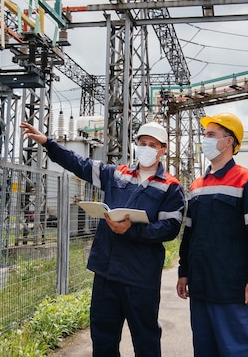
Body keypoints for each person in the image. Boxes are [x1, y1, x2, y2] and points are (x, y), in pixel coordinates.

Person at [20, 120, 185, 357]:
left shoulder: (171, 187)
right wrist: (49, 143)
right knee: (103, 337)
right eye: (142, 143)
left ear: (162, 150)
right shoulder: (117, 174)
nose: (146, 148)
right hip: (107, 272)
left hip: (140, 276)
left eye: (152, 144)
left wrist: (132, 230)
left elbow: (169, 228)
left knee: (145, 337)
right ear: (136, 145)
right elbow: (80, 164)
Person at [176, 112, 248, 357]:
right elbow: (189, 235)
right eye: (205, 135)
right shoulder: (197, 185)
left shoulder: (247, 181)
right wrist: (183, 272)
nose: (205, 140)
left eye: (211, 135)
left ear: (228, 141)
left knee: (237, 350)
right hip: (200, 287)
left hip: (231, 288)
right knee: (204, 350)